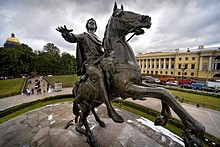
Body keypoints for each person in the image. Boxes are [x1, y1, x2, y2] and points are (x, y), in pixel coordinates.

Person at [56, 18, 123, 123]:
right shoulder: (84, 35)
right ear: (87, 26)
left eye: (94, 22)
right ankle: (110, 109)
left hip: (100, 61)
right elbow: (73, 38)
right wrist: (65, 34)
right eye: (90, 22)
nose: (92, 23)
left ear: (95, 27)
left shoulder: (98, 38)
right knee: (98, 74)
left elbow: (105, 49)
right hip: (90, 64)